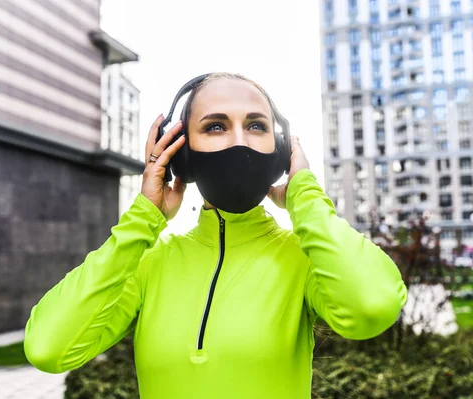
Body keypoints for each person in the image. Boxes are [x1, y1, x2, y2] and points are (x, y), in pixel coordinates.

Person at [24, 73, 407, 399]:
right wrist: (144, 217)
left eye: (256, 125)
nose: (239, 141)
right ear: (182, 155)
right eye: (216, 126)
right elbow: (47, 347)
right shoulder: (148, 264)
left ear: (280, 153)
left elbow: (374, 306)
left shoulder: (303, 260)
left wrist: (304, 197)